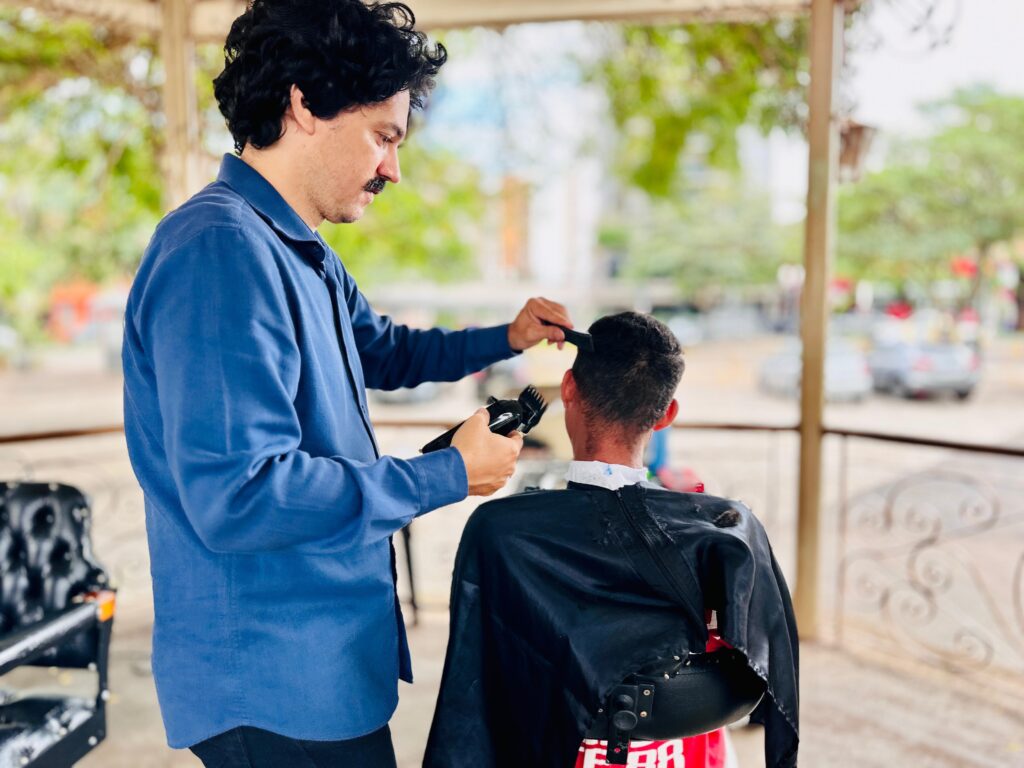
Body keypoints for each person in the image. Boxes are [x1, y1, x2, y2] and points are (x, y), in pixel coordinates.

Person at [121, 1, 572, 765]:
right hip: (270, 681)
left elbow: (383, 351)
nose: (393, 167)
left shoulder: (298, 248)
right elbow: (242, 496)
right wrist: (446, 475)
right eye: (383, 137)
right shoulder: (221, 252)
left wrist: (507, 337)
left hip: (320, 663)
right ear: (303, 106)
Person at [424, 312, 799, 768]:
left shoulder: (501, 531)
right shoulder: (728, 527)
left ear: (568, 390)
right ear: (667, 415)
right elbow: (765, 673)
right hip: (688, 755)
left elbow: (476, 690)